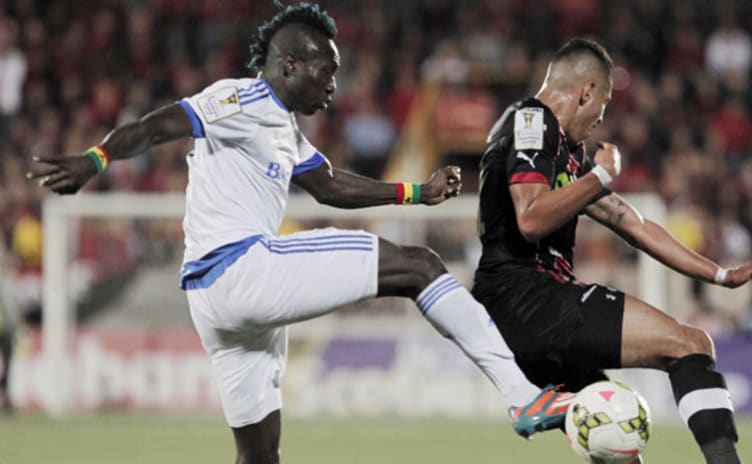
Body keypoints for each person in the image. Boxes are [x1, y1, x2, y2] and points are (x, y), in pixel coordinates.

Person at [27, 4, 565, 463]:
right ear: (289, 64)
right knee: (420, 266)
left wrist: (416, 194)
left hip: (217, 305)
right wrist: (96, 159)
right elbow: (157, 125)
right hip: (241, 270)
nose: (334, 85)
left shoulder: (282, 126)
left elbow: (329, 186)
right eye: (326, 71)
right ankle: (521, 395)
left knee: (259, 454)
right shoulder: (240, 100)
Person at [472, 37, 752, 464]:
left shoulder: (562, 148)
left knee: (613, 441)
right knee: (690, 344)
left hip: (518, 311)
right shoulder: (533, 121)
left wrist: (720, 275)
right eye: (601, 107)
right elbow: (530, 219)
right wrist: (600, 175)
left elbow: (630, 223)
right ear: (586, 91)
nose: (598, 121)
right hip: (529, 298)